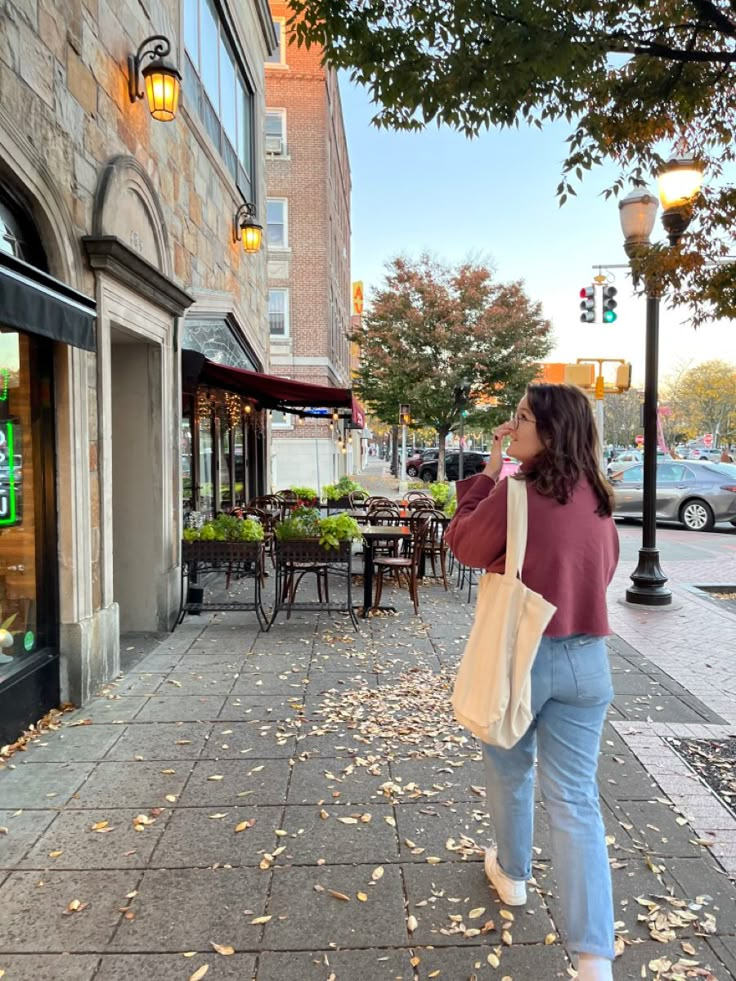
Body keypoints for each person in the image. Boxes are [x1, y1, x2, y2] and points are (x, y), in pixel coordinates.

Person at [445, 384, 619, 981]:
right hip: (588, 659)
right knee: (576, 802)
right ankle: (595, 957)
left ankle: (514, 874)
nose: (510, 426)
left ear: (548, 430)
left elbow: (464, 545)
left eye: (520, 418)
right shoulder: (598, 496)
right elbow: (604, 569)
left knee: (509, 766)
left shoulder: (515, 492)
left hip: (522, 657)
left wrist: (488, 475)